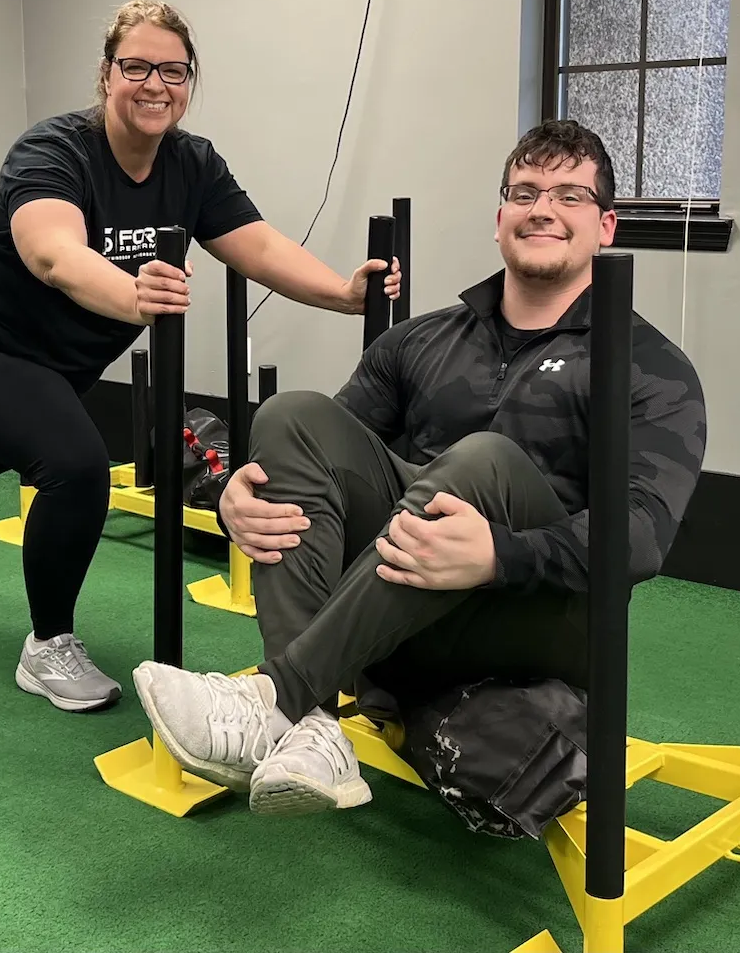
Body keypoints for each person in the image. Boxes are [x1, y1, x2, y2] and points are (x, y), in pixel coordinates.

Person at [131, 118, 708, 816]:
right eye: (524, 193)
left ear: (607, 225)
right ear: (500, 220)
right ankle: (313, 731)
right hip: (399, 608)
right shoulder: (421, 340)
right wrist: (234, 495)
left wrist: (498, 553)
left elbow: (642, 536)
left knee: (484, 462)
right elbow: (315, 465)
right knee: (288, 417)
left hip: (541, 625)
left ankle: (278, 697)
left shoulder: (650, 367)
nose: (543, 209)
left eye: (569, 196)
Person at [0, 0, 399, 714]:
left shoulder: (192, 164)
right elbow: (52, 253)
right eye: (137, 66)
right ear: (106, 74)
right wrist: (134, 294)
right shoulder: (54, 151)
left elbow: (258, 244)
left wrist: (341, 293)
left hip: (59, 363)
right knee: (75, 466)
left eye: (173, 71)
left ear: (190, 80)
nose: (155, 85)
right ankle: (47, 644)